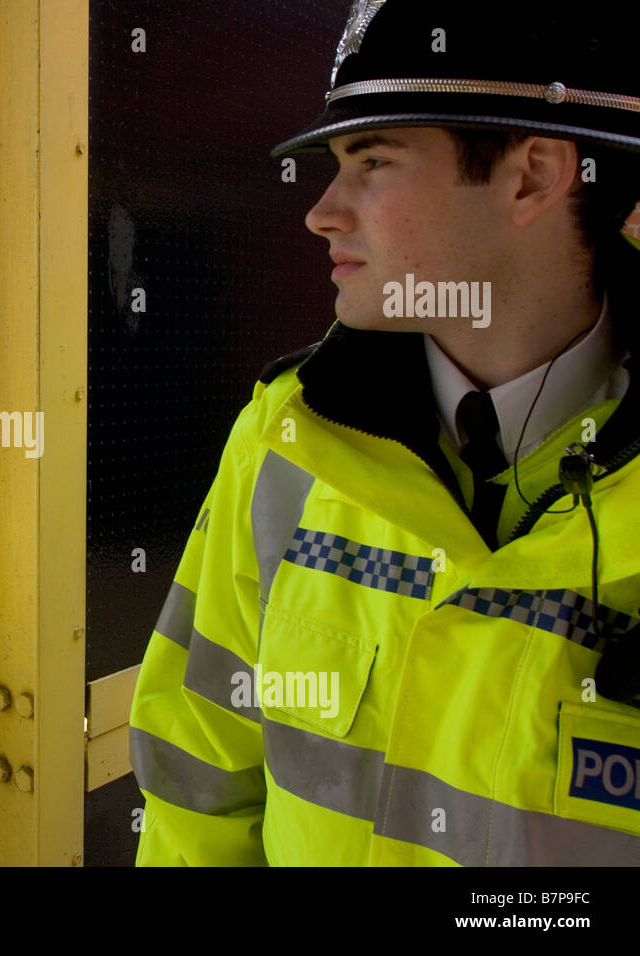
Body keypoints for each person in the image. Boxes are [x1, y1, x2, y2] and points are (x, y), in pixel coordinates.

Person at [129, 0, 640, 865]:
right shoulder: (282, 442)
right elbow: (197, 787)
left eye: (372, 161)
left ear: (533, 177)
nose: (321, 212)